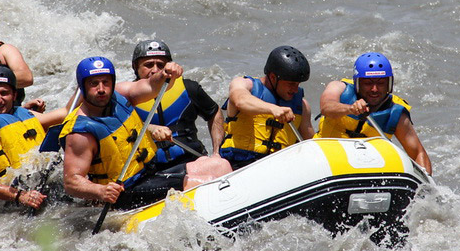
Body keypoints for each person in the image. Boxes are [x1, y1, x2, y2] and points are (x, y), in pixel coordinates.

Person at [61, 56, 232, 210]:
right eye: (93, 84)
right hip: (125, 190)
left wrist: (165, 73)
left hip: (149, 172)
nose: (101, 89)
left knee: (220, 165)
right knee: (206, 183)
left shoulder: (120, 96)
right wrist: (101, 191)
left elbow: (151, 85)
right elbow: (71, 181)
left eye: (106, 82)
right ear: (82, 87)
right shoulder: (80, 132)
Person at [0, 66, 67, 209]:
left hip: (45, 189)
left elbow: (66, 113)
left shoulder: (24, 114)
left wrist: (86, 86)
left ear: (14, 96)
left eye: (4, 93)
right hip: (9, 204)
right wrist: (19, 196)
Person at [315, 52, 432, 174]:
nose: (374, 89)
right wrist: (350, 109)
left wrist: (428, 186)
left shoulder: (396, 112)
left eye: (381, 83)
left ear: (389, 84)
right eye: (368, 83)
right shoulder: (338, 88)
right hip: (326, 161)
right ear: (358, 83)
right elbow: (326, 107)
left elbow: (418, 152)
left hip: (365, 170)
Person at [130, 39, 226, 168]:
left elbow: (214, 113)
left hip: (191, 159)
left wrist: (216, 152)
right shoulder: (125, 98)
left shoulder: (188, 88)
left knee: (221, 166)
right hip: (150, 169)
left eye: (160, 65)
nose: (155, 70)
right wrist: (150, 128)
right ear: (136, 67)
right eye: (148, 65)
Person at [220, 45, 315, 169]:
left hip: (278, 169)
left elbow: (311, 144)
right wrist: (273, 109)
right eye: (291, 84)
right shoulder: (244, 85)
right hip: (238, 166)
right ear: (273, 77)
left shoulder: (302, 106)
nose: (295, 89)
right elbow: (240, 100)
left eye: (298, 84)